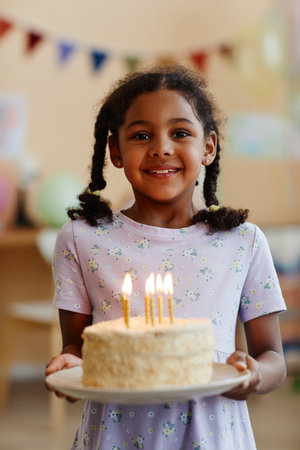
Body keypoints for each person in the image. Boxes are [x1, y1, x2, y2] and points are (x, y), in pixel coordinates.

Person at [45, 65, 286, 449]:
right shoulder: (82, 239)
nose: (161, 147)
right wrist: (71, 366)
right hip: (114, 437)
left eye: (180, 133)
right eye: (141, 135)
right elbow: (76, 348)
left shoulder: (243, 242)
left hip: (215, 437)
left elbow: (273, 356)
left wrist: (255, 374)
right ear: (115, 151)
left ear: (208, 147)